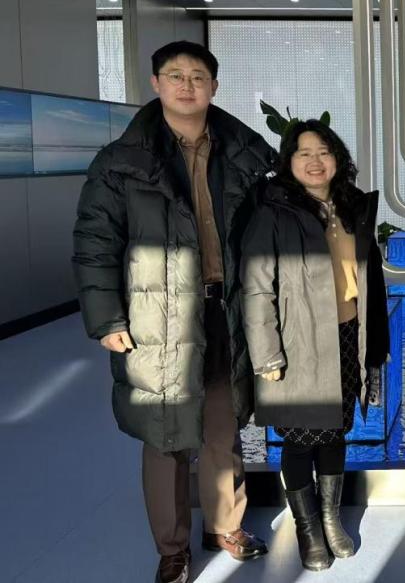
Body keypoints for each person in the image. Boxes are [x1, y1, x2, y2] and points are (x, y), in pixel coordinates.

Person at [72, 41, 275, 583]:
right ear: (156, 84)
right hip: (153, 316)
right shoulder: (120, 162)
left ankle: (225, 526)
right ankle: (172, 549)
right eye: (176, 75)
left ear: (214, 86)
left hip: (224, 309)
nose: (188, 85)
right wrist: (107, 319)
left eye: (198, 76)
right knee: (165, 436)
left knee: (223, 426)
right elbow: (95, 243)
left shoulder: (243, 155)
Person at [241, 120, 389, 572]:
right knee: (300, 439)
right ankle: (308, 528)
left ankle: (330, 517)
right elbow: (256, 287)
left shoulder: (352, 207)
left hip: (347, 335)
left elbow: (371, 279)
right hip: (298, 341)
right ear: (289, 161)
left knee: (336, 431)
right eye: (303, 153)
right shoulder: (273, 211)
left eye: (323, 151)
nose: (314, 161)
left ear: (337, 159)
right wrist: (267, 354)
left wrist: (376, 345)